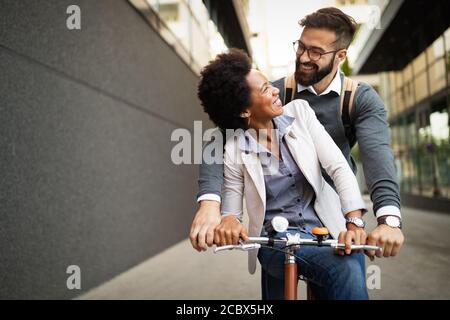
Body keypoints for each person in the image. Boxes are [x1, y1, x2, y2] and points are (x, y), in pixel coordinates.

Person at [190, 7, 404, 299]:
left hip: (329, 223)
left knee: (346, 265)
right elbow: (221, 137)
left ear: (340, 56)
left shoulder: (353, 100)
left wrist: (381, 221)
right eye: (301, 46)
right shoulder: (270, 100)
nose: (303, 57)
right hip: (275, 238)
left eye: (315, 52)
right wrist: (215, 208)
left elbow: (365, 161)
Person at [196, 48, 370, 299]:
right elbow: (232, 210)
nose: (276, 90)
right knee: (343, 269)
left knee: (353, 260)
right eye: (265, 89)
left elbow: (338, 166)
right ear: (245, 111)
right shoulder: (235, 149)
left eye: (270, 84)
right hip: (276, 243)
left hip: (325, 230)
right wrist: (229, 221)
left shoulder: (300, 112)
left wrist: (354, 222)